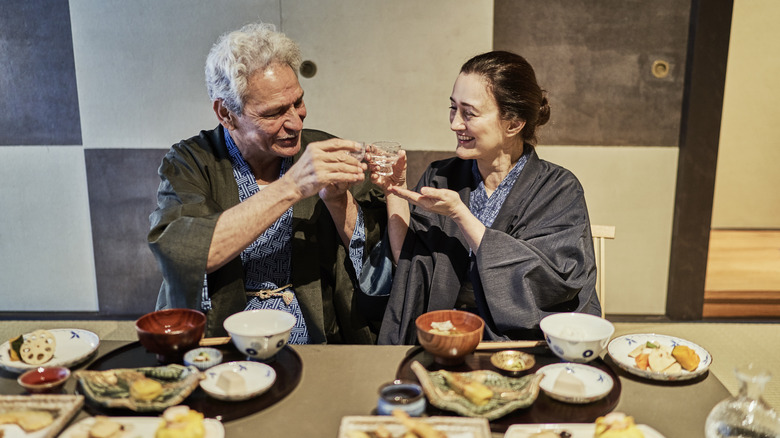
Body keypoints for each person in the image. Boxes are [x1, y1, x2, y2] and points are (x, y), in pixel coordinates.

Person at [148, 23, 386, 343]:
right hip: (225, 333)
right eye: (273, 112)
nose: (295, 121)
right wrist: (292, 186)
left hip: (312, 327)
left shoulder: (321, 150)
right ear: (226, 113)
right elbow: (187, 252)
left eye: (297, 102)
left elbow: (375, 263)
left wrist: (337, 200)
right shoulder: (189, 162)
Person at [373, 51, 601, 344]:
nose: (455, 123)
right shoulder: (441, 176)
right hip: (448, 333)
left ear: (513, 123)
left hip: (520, 343)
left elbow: (554, 284)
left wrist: (461, 215)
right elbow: (411, 264)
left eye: (469, 113)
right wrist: (395, 188)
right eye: (453, 108)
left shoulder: (560, 189)